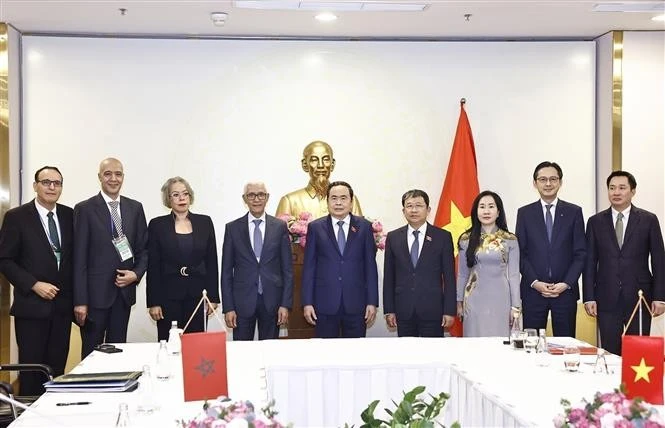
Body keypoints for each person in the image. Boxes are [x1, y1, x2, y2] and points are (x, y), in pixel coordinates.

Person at [0, 166, 73, 395]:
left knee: (57, 371)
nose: (52, 187)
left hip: (62, 309)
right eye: (46, 182)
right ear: (35, 186)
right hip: (31, 307)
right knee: (32, 372)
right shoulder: (16, 217)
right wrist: (33, 284)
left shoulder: (69, 215)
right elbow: (5, 260)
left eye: (57, 183)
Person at [583, 170, 665, 355]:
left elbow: (659, 260)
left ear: (633, 191)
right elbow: (589, 262)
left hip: (640, 297)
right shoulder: (595, 222)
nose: (616, 192)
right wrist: (589, 296)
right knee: (609, 350)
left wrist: (660, 296)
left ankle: (634, 386)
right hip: (606, 297)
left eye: (622, 188)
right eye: (612, 188)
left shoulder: (648, 220)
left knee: (637, 352)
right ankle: (611, 384)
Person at [73, 158, 148, 358]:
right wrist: (80, 301)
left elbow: (144, 250)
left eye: (118, 174)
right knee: (91, 355)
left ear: (123, 177)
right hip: (94, 298)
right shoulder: (85, 209)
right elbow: (78, 258)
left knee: (118, 353)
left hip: (123, 296)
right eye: (108, 174)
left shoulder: (135, 208)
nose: (113, 179)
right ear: (99, 177)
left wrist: (136, 274)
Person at [515, 161, 586, 337]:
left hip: (565, 293)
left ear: (560, 182)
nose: (548, 184)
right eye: (543, 179)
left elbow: (580, 253)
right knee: (531, 346)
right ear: (535, 183)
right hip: (533, 292)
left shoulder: (574, 212)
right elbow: (520, 254)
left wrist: (566, 283)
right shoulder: (524, 213)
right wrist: (535, 282)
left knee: (565, 345)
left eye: (553, 179)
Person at [301, 181, 378, 338]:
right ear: (327, 201)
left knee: (355, 354)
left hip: (357, 304)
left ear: (351, 201)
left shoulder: (364, 227)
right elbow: (309, 268)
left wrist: (372, 302)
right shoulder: (316, 227)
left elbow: (370, 267)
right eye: (334, 198)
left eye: (343, 198)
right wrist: (307, 302)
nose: (338, 203)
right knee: (326, 355)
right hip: (324, 303)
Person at [147, 177, 219, 341]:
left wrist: (213, 297)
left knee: (196, 345)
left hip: (198, 296)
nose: (182, 198)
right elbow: (153, 266)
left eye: (185, 194)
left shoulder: (205, 222)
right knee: (170, 343)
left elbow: (212, 262)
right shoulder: (157, 225)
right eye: (176, 194)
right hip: (167, 297)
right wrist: (154, 302)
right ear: (168, 198)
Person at [221, 182, 293, 340]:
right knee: (242, 352)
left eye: (261, 194)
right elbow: (226, 272)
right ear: (244, 199)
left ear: (267, 198)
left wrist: (285, 304)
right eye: (251, 195)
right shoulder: (232, 228)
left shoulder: (280, 227)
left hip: (272, 302)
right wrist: (228, 307)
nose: (256, 199)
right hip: (242, 303)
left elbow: (287, 269)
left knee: (269, 352)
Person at [383, 189, 456, 337]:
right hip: (403, 310)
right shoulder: (393, 237)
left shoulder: (442, 237)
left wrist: (449, 310)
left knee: (433, 356)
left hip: (433, 310)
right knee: (407, 357)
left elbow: (449, 277)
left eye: (418, 205)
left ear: (428, 209)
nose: (414, 210)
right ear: (403, 211)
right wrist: (389, 309)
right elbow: (389, 277)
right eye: (409, 206)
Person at [456, 190, 521, 337]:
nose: (486, 211)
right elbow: (462, 274)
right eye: (482, 207)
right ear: (476, 211)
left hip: (501, 299)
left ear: (498, 212)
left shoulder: (510, 239)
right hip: (473, 300)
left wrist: (515, 306)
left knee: (501, 341)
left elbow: (514, 275)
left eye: (491, 206)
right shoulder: (466, 239)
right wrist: (459, 302)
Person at [275, 140, 362, 219]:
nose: (320, 165)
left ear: (332, 164)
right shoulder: (290, 201)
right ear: (305, 165)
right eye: (314, 160)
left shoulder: (350, 199)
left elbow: (360, 232)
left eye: (326, 160)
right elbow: (279, 235)